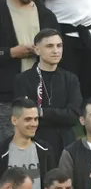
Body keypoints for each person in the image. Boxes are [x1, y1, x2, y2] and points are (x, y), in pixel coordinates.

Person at [0, 0, 54, 139]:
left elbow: (58, 50)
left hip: (38, 95)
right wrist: (11, 53)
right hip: (6, 96)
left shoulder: (46, 15)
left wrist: (43, 51)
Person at [12, 30, 80, 162]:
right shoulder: (23, 80)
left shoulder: (71, 79)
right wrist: (60, 115)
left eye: (59, 46)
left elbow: (73, 116)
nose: (56, 51)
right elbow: (25, 117)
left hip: (65, 145)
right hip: (35, 145)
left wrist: (41, 112)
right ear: (37, 50)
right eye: (49, 46)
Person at [0, 98, 54, 189]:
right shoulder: (2, 152)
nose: (34, 124)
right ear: (14, 120)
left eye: (36, 119)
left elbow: (52, 186)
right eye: (28, 119)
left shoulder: (45, 150)